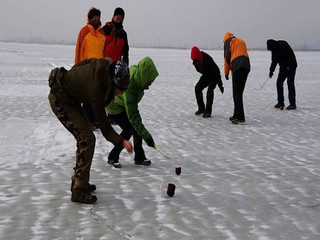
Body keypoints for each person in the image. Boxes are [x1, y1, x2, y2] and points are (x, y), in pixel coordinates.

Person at [48, 58, 133, 204]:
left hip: (71, 99)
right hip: (61, 100)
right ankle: (78, 189)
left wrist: (76, 85)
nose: (121, 93)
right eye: (121, 90)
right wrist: (122, 141)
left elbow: (80, 64)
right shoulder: (97, 89)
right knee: (86, 139)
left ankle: (80, 180)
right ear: (113, 82)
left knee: (86, 138)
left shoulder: (104, 67)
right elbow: (105, 127)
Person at [105, 56, 159, 168]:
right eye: (150, 80)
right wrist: (147, 137)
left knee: (136, 128)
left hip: (123, 105)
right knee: (129, 129)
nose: (150, 84)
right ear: (145, 75)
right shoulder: (131, 86)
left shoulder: (139, 79)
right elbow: (133, 115)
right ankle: (112, 157)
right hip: (113, 106)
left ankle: (139, 157)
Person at [75, 7, 106, 129]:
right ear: (90, 18)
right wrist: (77, 66)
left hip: (98, 69)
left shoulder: (102, 33)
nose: (96, 19)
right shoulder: (84, 31)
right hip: (86, 68)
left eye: (98, 17)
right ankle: (88, 120)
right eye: (94, 17)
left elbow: (103, 52)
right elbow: (78, 49)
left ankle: (94, 119)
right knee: (87, 96)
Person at [223, 32, 250, 124]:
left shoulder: (228, 42)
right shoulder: (241, 41)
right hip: (246, 66)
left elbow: (227, 58)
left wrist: (226, 73)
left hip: (238, 66)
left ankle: (239, 117)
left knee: (236, 93)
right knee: (239, 92)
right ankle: (237, 114)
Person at [190, 46, 224, 118]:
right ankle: (201, 108)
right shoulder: (196, 63)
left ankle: (208, 111)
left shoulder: (208, 60)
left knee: (210, 91)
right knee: (197, 88)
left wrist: (220, 85)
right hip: (206, 75)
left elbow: (217, 72)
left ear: (199, 59)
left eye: (195, 61)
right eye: (193, 61)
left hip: (214, 76)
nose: (194, 63)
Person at [266, 39, 297, 110]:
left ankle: (292, 104)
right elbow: (274, 62)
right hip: (283, 67)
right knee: (279, 83)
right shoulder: (273, 50)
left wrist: (289, 66)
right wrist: (271, 71)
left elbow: (290, 56)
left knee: (290, 83)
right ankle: (280, 102)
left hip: (291, 66)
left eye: (271, 49)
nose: (271, 51)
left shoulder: (283, 44)